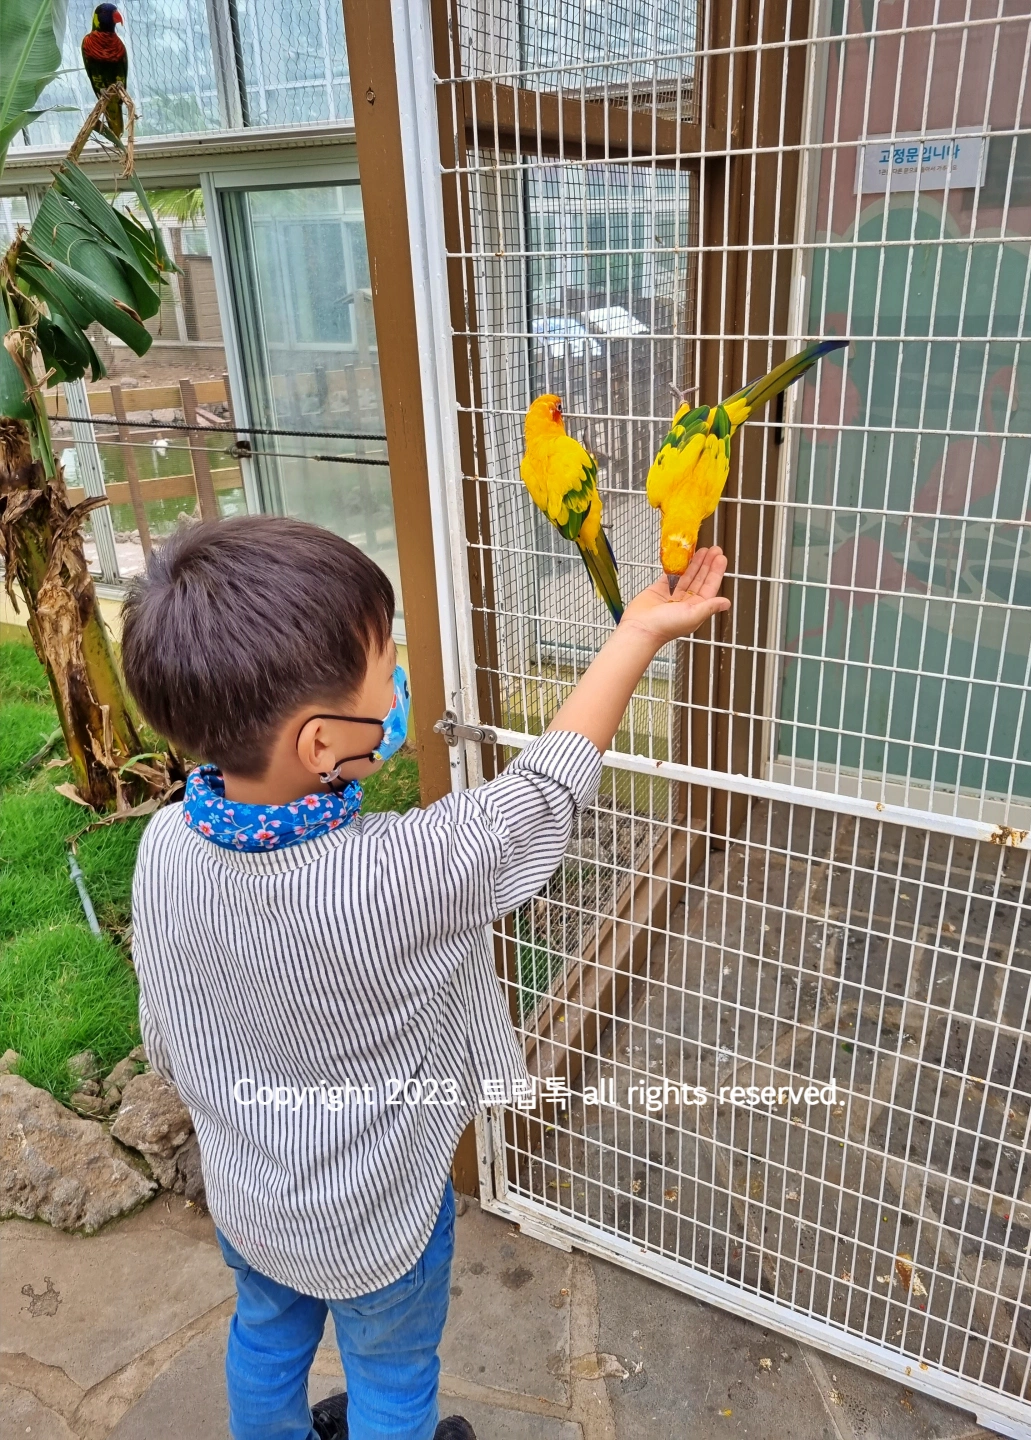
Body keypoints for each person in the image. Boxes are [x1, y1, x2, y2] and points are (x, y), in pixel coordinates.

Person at [121, 515, 729, 1440]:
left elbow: (165, 1031)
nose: (402, 680)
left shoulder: (165, 843)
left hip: (251, 1196)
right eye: (386, 669)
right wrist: (637, 634)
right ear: (322, 743)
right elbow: (540, 797)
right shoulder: (400, 871)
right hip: (380, 1220)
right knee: (393, 1375)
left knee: (264, 1340)